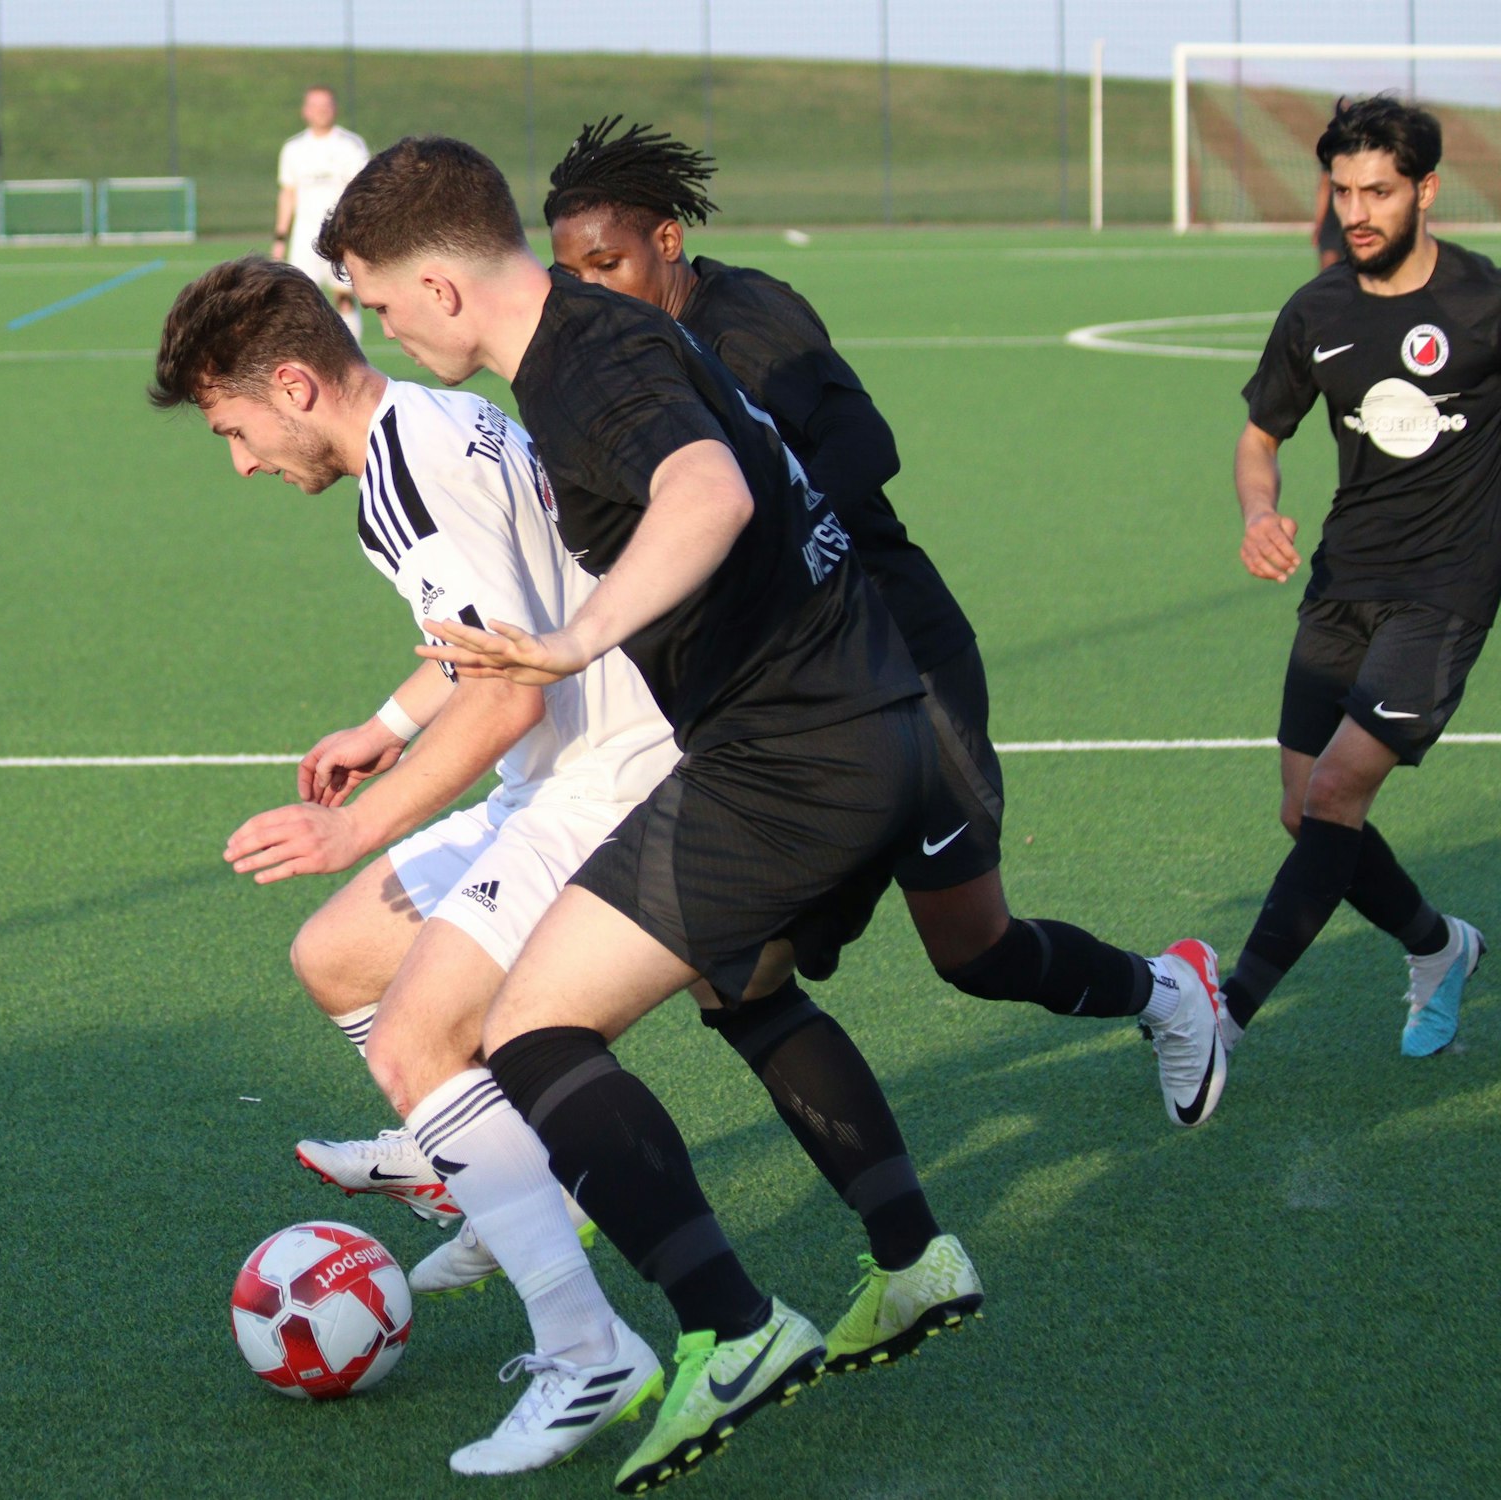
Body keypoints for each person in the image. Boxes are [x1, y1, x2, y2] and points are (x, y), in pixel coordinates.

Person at [317, 137, 981, 1493]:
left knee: (530, 1031)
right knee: (744, 988)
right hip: (870, 717)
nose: (379, 328)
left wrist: (582, 640)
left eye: (381, 302)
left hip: (794, 750)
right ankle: (914, 1260)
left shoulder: (584, 361)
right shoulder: (603, 329)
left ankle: (727, 1329)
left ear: (442, 287)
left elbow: (711, 490)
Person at [539, 118, 1226, 1127]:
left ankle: (1167, 992)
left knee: (972, 950)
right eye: (571, 275)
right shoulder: (618, 350)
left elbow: (864, 443)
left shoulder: (745, 321)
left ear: (667, 243)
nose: (589, 290)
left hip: (899, 660)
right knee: (738, 970)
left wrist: (750, 528)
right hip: (801, 692)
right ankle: (901, 1246)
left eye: (609, 263)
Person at [150, 255, 680, 1473]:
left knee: (413, 1043)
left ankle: (587, 1350)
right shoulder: (444, 421)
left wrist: (355, 823)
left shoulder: (398, 484)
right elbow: (477, 639)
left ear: (290, 385)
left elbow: (498, 701)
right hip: (563, 755)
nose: (238, 461)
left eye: (233, 430)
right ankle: (482, 1174)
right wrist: (383, 730)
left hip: (599, 772)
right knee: (336, 957)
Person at [1227, 93, 1493, 1063]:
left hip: (1447, 588)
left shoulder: (1481, 300)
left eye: (1376, 190)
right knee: (1302, 811)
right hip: (1341, 581)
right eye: (1340, 191)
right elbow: (1259, 437)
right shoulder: (1316, 310)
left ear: (1423, 189)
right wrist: (1258, 511)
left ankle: (1221, 1013)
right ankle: (1437, 946)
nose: (1355, 211)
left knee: (1336, 791)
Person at [274, 86, 370, 342]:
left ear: (335, 109)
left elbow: (361, 192)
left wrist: (356, 233)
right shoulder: (293, 148)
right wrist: (280, 238)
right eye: (315, 106)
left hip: (341, 237)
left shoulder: (350, 145)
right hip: (305, 238)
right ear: (305, 111)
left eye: (326, 106)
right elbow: (288, 193)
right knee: (300, 302)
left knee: (344, 298)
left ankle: (353, 362)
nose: (321, 111)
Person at [1310, 168, 1346, 271]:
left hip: (1350, 214)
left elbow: (1325, 185)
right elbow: (1325, 186)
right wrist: (1319, 224)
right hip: (1335, 217)